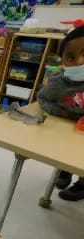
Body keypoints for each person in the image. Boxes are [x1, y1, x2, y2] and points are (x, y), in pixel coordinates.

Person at [38, 25, 84, 201]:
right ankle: (64, 172)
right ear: (62, 61)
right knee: (65, 150)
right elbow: (42, 98)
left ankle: (82, 184)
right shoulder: (59, 84)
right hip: (67, 126)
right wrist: (61, 113)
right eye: (71, 57)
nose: (79, 62)